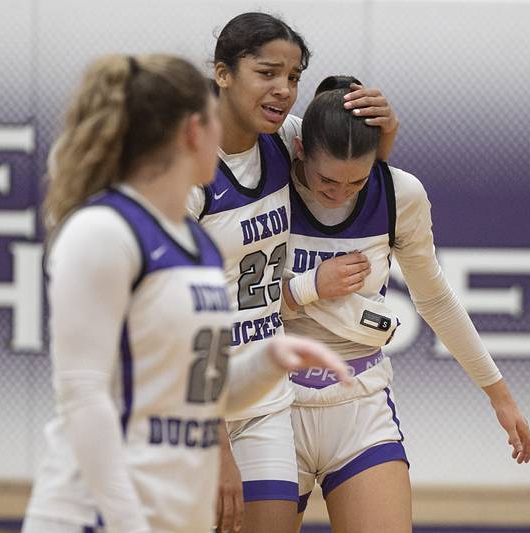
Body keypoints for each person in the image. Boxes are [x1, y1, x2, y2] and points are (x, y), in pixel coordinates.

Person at [21, 53, 352, 533]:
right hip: (96, 516)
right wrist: (127, 521)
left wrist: (272, 358)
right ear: (195, 131)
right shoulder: (102, 230)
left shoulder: (196, 244)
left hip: (174, 512)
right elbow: (82, 397)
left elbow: (200, 397)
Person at [281, 76, 530, 533]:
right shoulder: (264, 182)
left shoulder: (400, 194)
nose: (338, 193)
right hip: (269, 401)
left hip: (358, 404)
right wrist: (308, 287)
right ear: (299, 148)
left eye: (355, 180)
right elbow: (228, 303)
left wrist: (499, 395)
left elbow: (435, 299)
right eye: (326, 179)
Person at [186, 12, 400, 533]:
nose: (284, 89)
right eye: (267, 73)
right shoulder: (186, 172)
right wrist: (215, 447)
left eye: (294, 76)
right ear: (222, 73)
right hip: (195, 398)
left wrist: (387, 128)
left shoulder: (285, 140)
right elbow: (178, 321)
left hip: (264, 394)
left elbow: (350, 164)